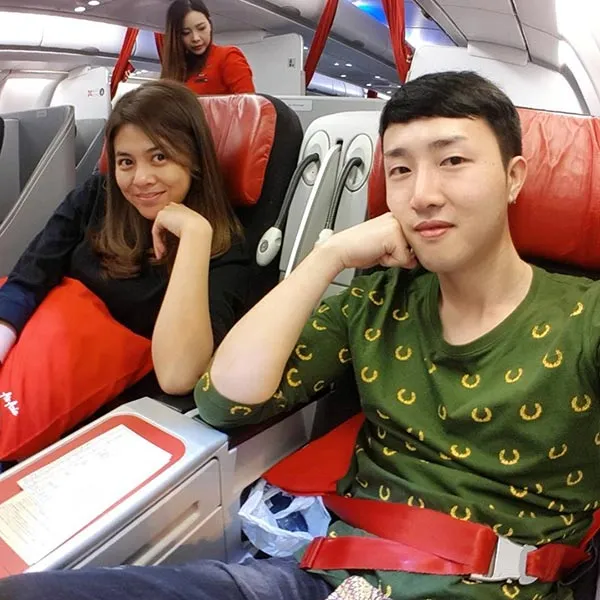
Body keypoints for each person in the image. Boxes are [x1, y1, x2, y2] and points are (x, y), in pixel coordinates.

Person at [0, 71, 596, 599]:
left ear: (514, 177)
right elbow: (222, 398)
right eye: (400, 170)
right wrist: (328, 256)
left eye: (453, 161)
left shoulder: (585, 318)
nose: (423, 194)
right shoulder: (374, 302)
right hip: (330, 581)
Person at [0, 79, 250, 395]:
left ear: (195, 158)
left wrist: (194, 237)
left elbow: (177, 376)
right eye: (126, 162)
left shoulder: (225, 249)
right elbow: (29, 278)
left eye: (159, 157)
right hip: (38, 360)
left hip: (105, 395)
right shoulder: (96, 197)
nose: (141, 179)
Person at [161, 0, 256, 96]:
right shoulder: (174, 68)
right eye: (186, 33)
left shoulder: (228, 57)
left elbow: (248, 103)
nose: (195, 38)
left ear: (210, 24)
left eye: (201, 28)